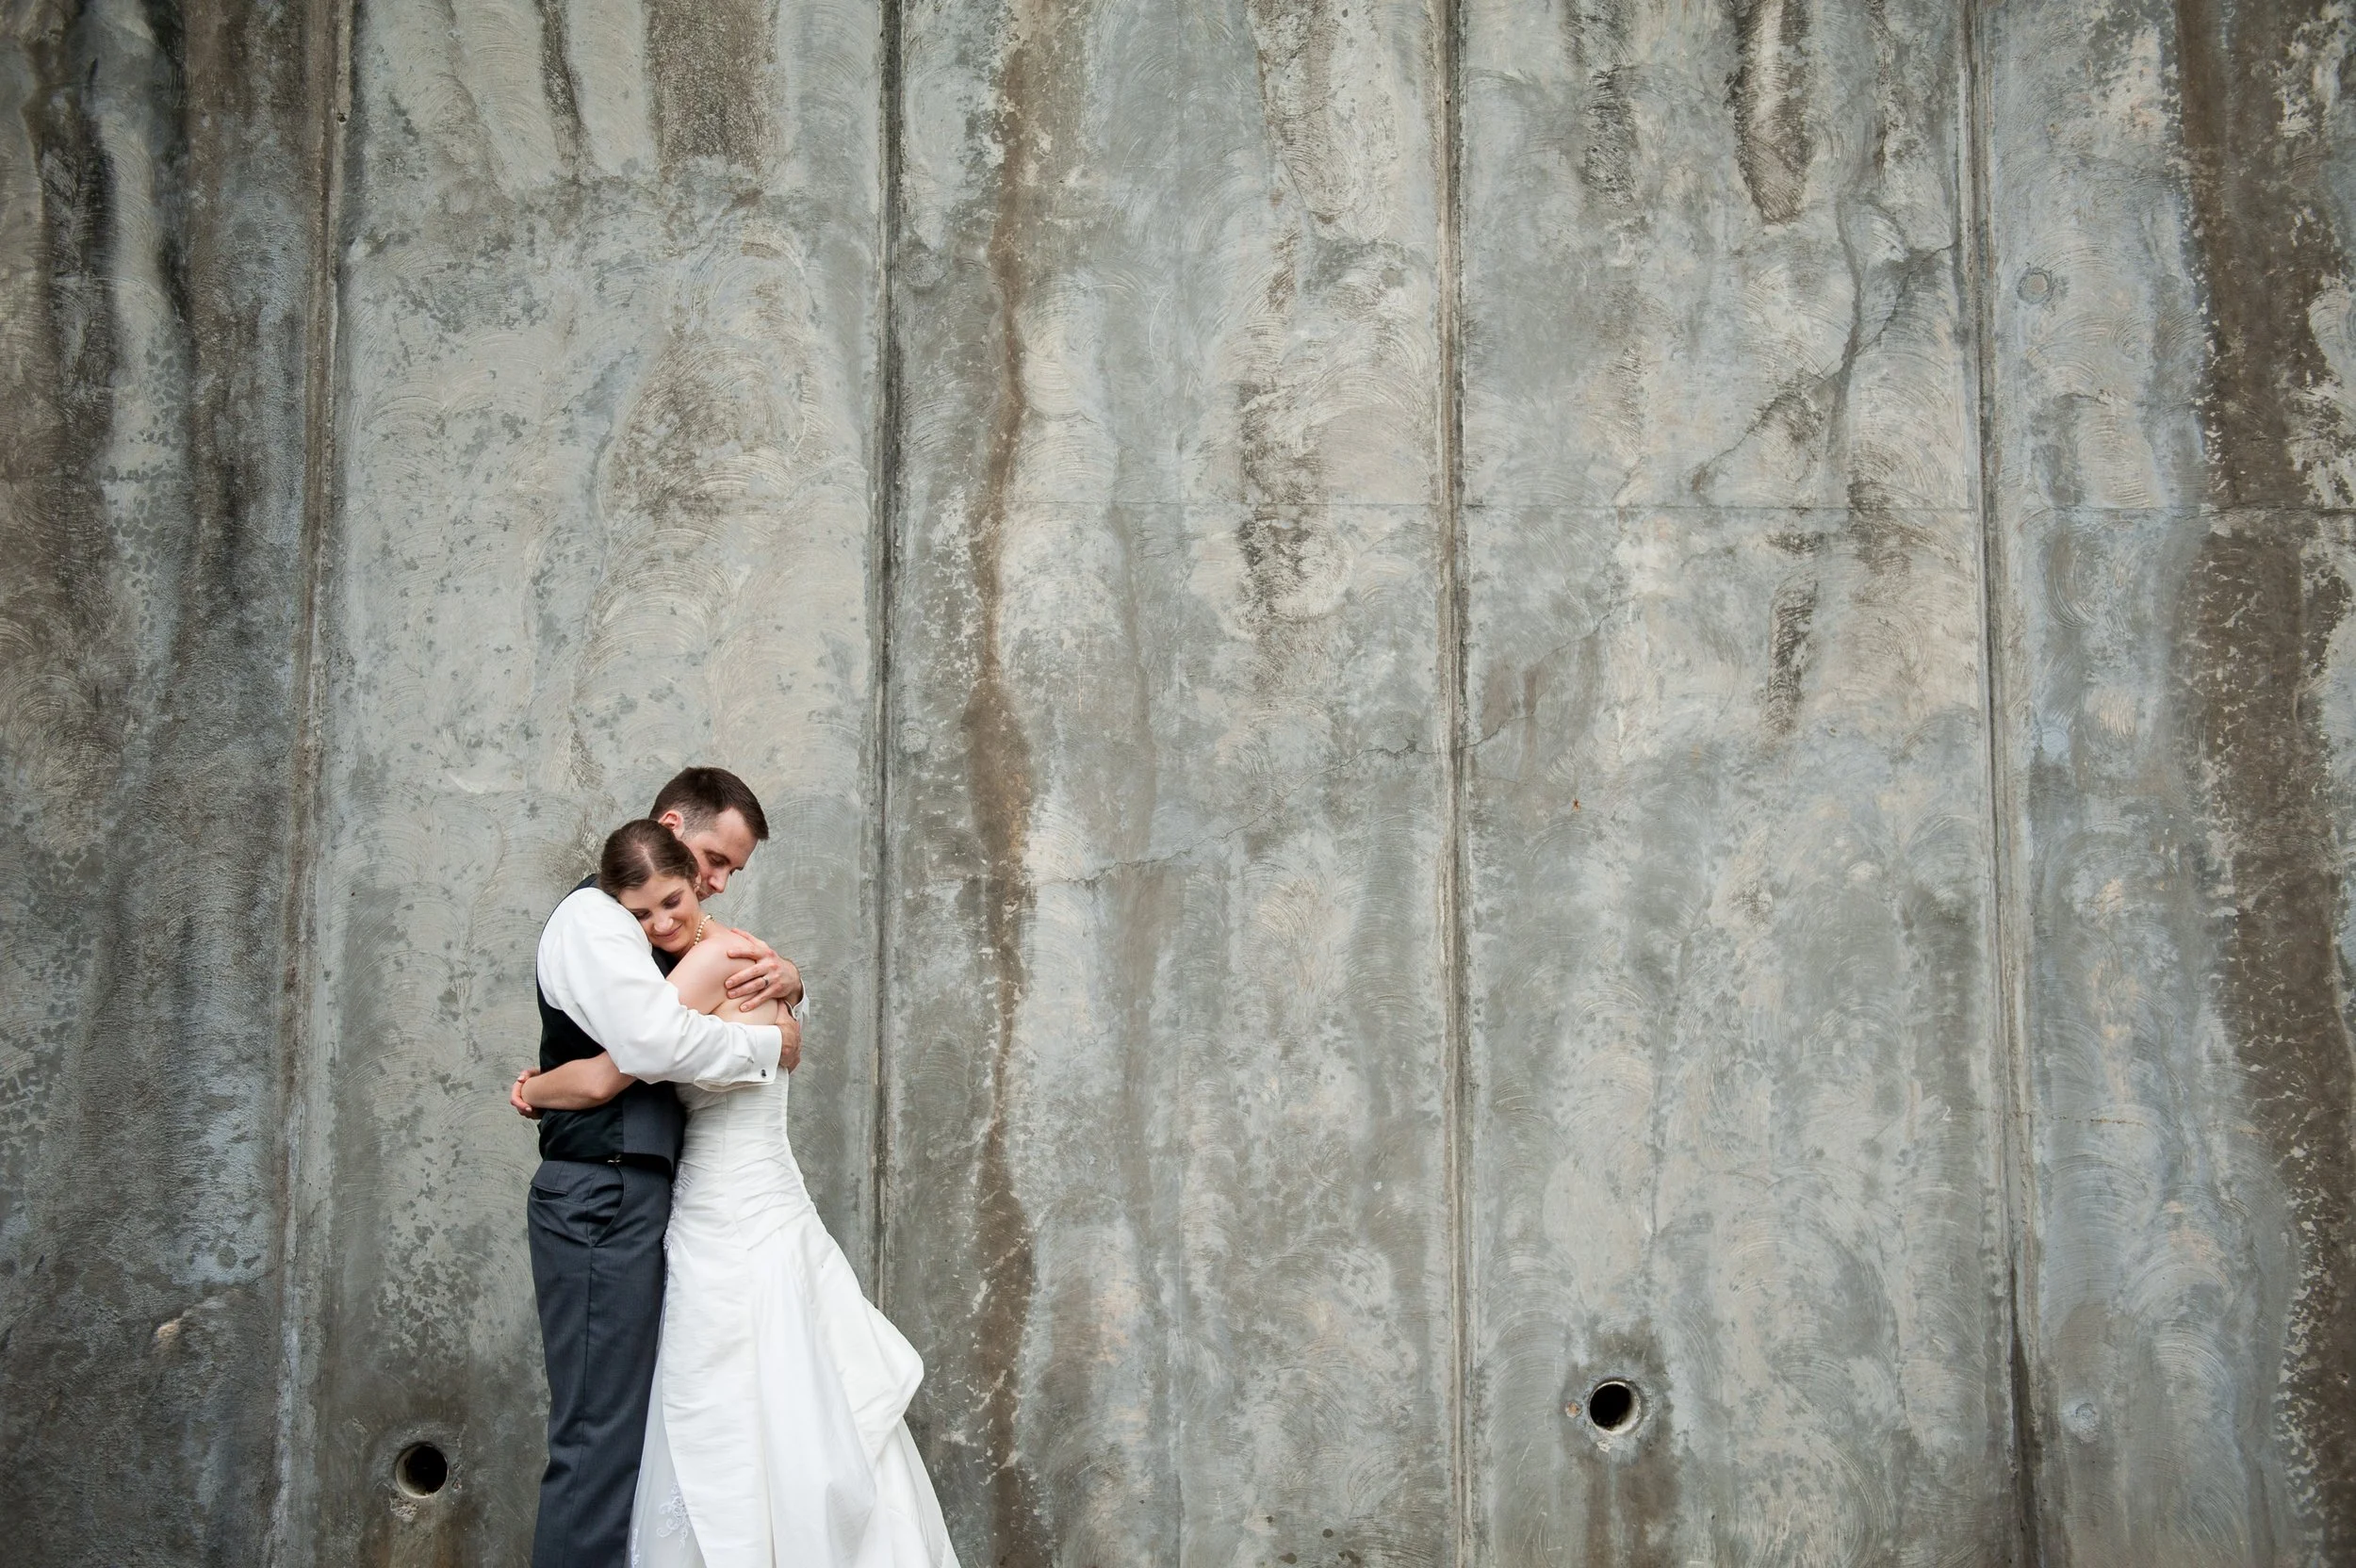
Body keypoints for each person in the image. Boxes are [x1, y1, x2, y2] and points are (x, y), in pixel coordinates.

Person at [522, 821, 959, 1567]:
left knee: (719, 1406)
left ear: (687, 881)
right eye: (642, 915)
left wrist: (532, 1088)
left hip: (721, 1205)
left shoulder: (703, 963)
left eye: (675, 900)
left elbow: (610, 1071)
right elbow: (752, 1031)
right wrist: (789, 1002)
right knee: (782, 1394)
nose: (662, 922)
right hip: (756, 1201)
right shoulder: (749, 951)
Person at [514, 767, 807, 1568]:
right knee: (599, 1438)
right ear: (671, 827)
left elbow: (649, 1042)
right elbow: (643, 1050)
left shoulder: (667, 933)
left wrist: (790, 983)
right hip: (601, 1189)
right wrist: (769, 1045)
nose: (711, 886)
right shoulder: (593, 922)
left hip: (641, 1190)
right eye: (711, 860)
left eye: (723, 876)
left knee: (631, 1430)